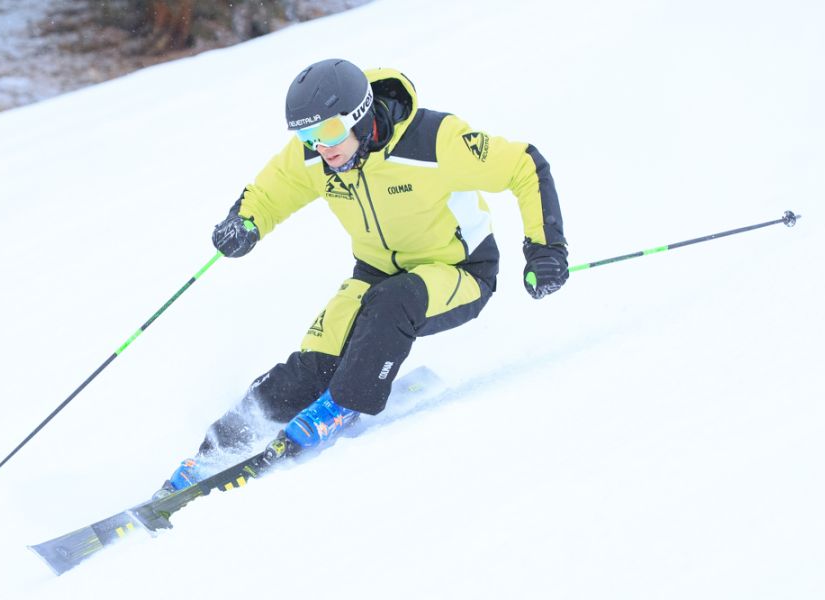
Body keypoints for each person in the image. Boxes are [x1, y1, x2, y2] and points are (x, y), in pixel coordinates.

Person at [156, 58, 568, 494]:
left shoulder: (436, 141)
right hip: (373, 274)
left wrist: (546, 250)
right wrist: (245, 220)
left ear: (361, 116)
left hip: (459, 270)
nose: (322, 148)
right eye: (308, 137)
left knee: (394, 301)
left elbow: (526, 165)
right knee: (313, 363)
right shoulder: (318, 155)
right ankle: (215, 450)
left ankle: (343, 403)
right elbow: (273, 189)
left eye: (330, 133)